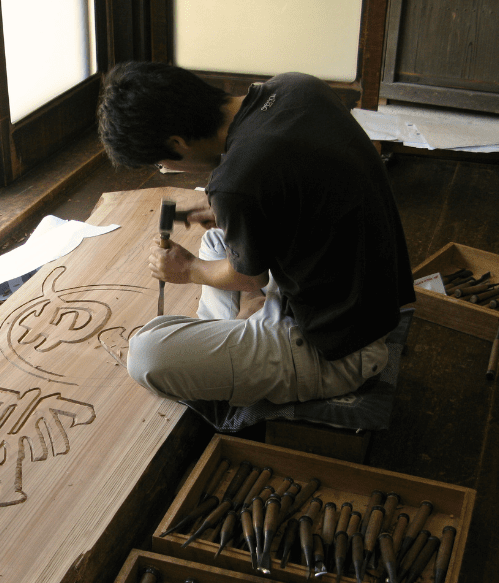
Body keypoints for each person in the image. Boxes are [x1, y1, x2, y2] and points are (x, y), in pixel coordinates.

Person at [97, 61, 415, 409]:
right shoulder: (296, 86)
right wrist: (238, 214)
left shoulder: (237, 181)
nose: (166, 170)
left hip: (340, 347)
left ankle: (239, 333)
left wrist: (186, 270)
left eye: (161, 163)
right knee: (217, 241)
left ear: (177, 142)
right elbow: (298, 181)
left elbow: (247, 276)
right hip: (362, 291)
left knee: (146, 355)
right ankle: (243, 321)